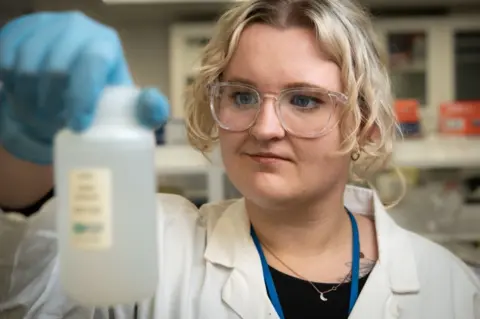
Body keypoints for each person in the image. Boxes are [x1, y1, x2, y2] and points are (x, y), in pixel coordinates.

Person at [0, 1, 479, 318]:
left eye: (305, 100)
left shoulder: (451, 286)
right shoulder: (154, 242)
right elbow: (28, 281)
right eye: (243, 96)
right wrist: (25, 149)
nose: (265, 127)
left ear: (363, 123)